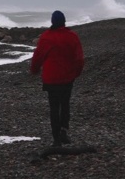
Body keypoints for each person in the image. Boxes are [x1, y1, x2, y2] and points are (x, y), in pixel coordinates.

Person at [29, 10, 86, 146]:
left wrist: (34, 70)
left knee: (54, 107)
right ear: (64, 21)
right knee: (65, 104)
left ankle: (56, 138)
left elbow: (38, 56)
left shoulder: (46, 37)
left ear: (52, 22)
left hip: (51, 79)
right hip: (67, 77)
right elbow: (79, 58)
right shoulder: (72, 36)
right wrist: (76, 73)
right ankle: (63, 132)